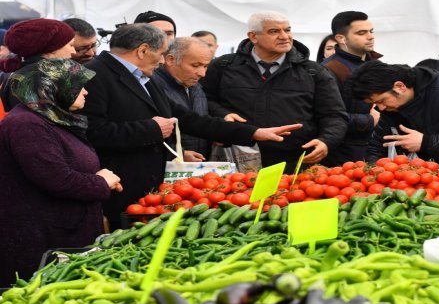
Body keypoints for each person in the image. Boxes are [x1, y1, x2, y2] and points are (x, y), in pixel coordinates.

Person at [81, 23, 302, 229]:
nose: (161, 62)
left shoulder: (143, 77)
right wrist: (151, 129)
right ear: (143, 50)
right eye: (160, 55)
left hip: (148, 187)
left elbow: (189, 119)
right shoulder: (95, 75)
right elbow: (92, 132)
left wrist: (253, 132)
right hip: (119, 184)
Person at [0, 57, 122, 286]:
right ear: (51, 87)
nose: (86, 92)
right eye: (78, 86)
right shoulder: (27, 124)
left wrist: (100, 177)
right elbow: (57, 179)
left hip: (60, 231)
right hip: (40, 241)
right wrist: (100, 182)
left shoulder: (51, 118)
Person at [201, 11, 348, 173]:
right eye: (274, 31)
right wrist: (222, 115)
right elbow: (203, 100)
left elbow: (334, 115)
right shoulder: (223, 66)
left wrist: (326, 141)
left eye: (288, 30)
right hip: (235, 163)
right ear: (253, 36)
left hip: (294, 164)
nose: (285, 36)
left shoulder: (313, 71)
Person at [321, 11, 381, 165]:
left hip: (376, 147)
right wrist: (369, 120)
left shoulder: (375, 65)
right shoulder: (329, 70)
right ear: (341, 38)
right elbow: (326, 116)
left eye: (371, 31)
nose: (370, 36)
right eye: (362, 33)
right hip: (344, 153)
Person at [151, 37, 214, 160]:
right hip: (168, 166)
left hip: (197, 164)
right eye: (195, 65)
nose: (202, 73)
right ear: (170, 60)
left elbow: (200, 120)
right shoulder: (153, 86)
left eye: (206, 66)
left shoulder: (195, 85)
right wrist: (179, 153)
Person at [1, 19, 76, 112]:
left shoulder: (27, 74)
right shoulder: (39, 79)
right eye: (71, 45)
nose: (74, 52)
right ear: (52, 48)